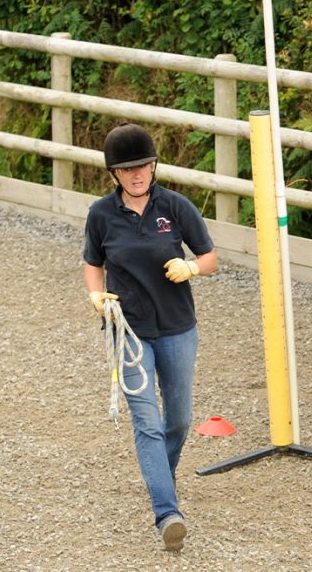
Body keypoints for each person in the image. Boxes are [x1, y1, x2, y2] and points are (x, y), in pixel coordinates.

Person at [82, 122, 218, 552]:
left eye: (143, 166)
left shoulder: (177, 208)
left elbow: (210, 256)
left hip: (178, 327)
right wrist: (94, 295)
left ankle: (162, 474)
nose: (137, 174)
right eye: (128, 169)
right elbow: (93, 261)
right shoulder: (101, 215)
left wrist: (192, 268)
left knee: (177, 419)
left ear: (154, 166)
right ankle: (167, 512)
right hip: (129, 328)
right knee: (146, 420)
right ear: (115, 174)